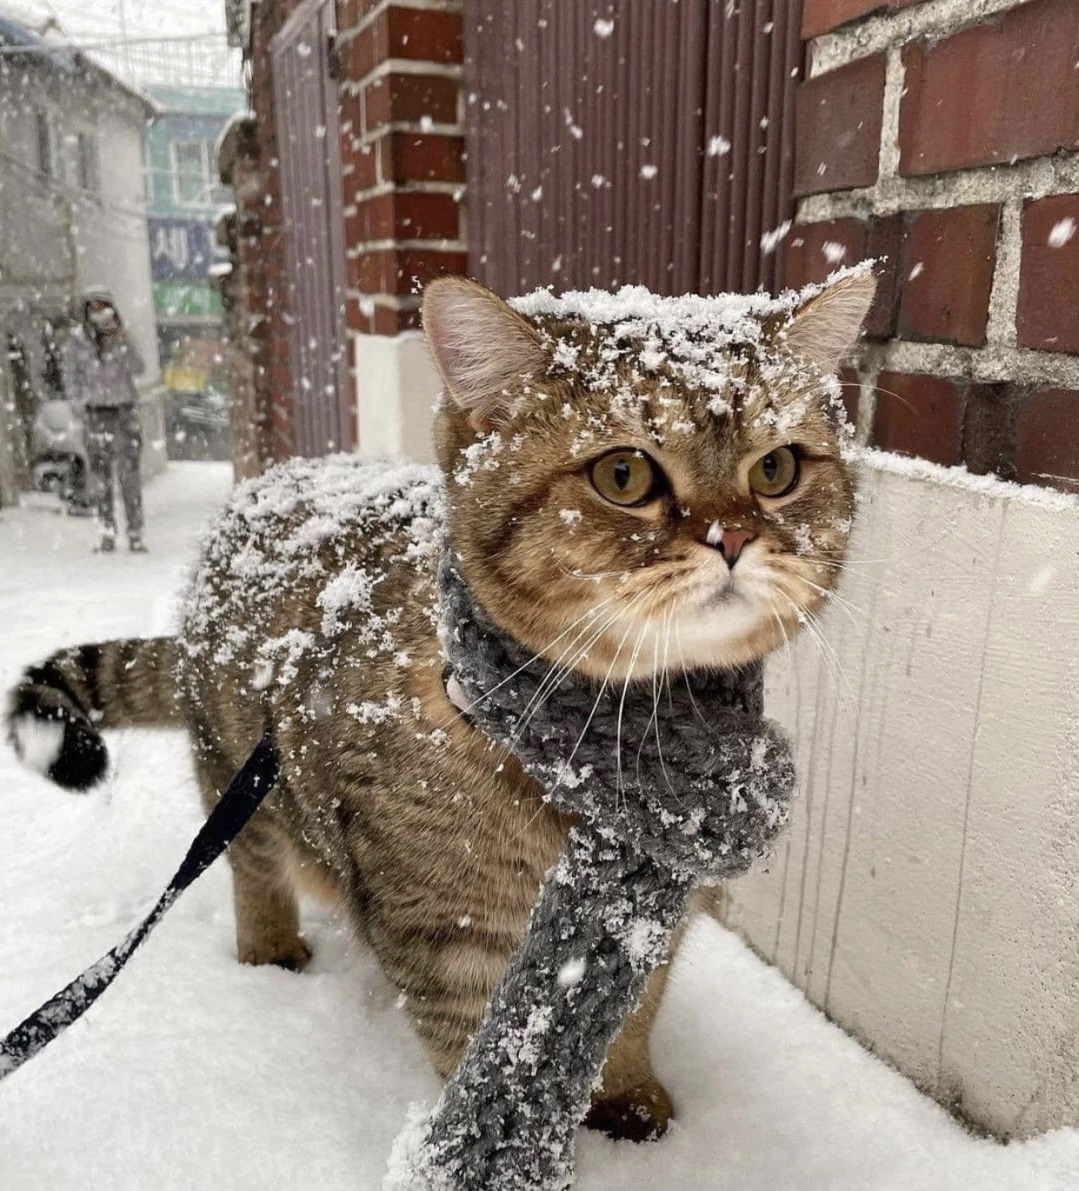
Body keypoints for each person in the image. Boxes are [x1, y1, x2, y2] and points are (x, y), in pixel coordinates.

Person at [67, 290, 148, 552]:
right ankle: (106, 533)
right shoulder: (78, 342)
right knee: (99, 477)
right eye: (94, 309)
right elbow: (72, 377)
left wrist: (121, 341)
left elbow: (139, 368)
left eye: (104, 308)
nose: (99, 315)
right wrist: (79, 406)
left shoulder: (123, 338)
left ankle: (135, 532)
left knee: (130, 475)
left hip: (124, 410)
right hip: (95, 413)